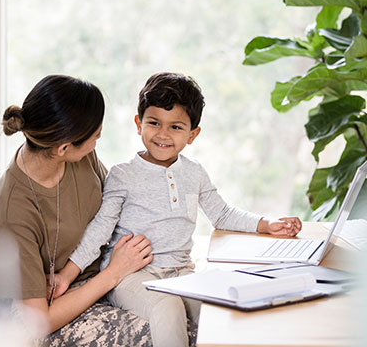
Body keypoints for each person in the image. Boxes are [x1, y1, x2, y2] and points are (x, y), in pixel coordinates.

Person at [55, 72, 302, 347]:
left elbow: (221, 214)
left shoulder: (194, 173)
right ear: (139, 124)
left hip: (181, 273)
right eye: (154, 122)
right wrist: (66, 276)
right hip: (132, 277)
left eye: (175, 127)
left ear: (193, 134)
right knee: (167, 306)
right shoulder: (122, 175)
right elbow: (99, 229)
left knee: (218, 309)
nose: (163, 134)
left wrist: (266, 224)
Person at [0, 75, 154, 345]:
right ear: (64, 147)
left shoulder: (78, 154)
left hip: (100, 277)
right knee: (167, 333)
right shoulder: (13, 210)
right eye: (95, 137)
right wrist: (113, 272)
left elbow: (114, 205)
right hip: (52, 311)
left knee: (194, 317)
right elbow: (39, 320)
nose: (97, 142)